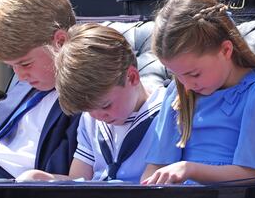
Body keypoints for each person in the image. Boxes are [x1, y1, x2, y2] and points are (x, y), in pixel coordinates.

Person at [141, 0, 255, 185]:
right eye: (176, 74)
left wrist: (190, 169)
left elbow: (250, 174)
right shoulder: (178, 92)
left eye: (194, 74)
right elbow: (155, 166)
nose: (187, 84)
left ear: (226, 50)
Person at [16, 23, 166, 183]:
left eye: (106, 105)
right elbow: (79, 179)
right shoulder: (90, 119)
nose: (98, 116)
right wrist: (44, 178)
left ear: (132, 77)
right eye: (88, 110)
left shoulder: (167, 114)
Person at [0, 0, 80, 179]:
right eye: (11, 66)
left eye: (25, 64)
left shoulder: (86, 97)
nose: (19, 75)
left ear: (60, 42)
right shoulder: (30, 82)